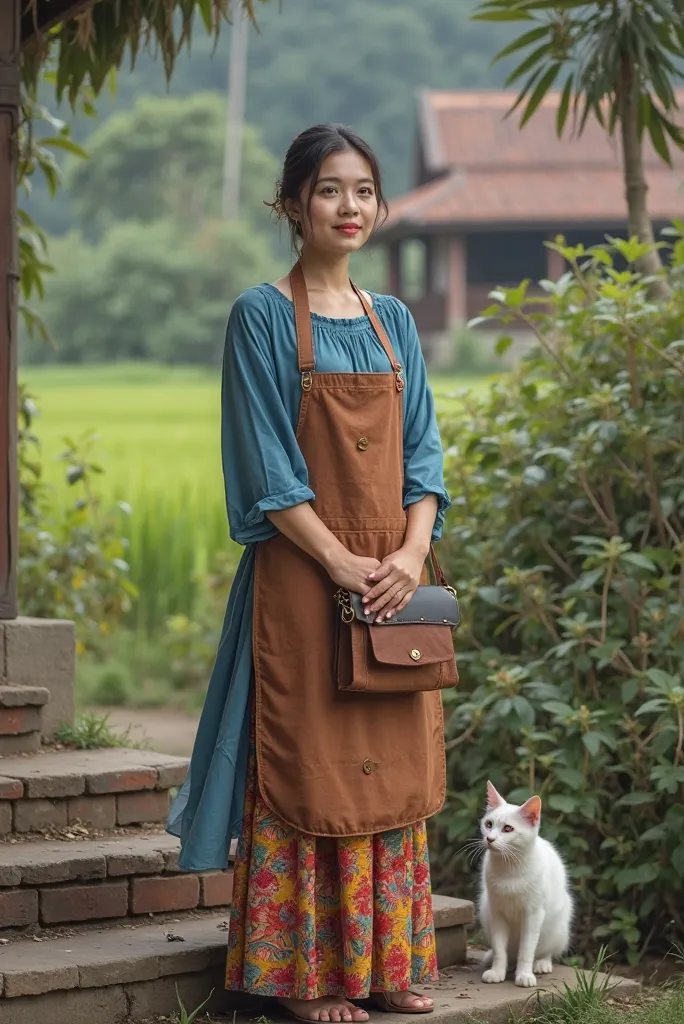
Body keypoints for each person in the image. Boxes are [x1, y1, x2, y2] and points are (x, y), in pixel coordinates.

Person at [167, 123, 451, 1023]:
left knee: (392, 766)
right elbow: (268, 471)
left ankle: (383, 964)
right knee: (308, 764)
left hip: (394, 586)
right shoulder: (260, 316)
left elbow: (425, 460)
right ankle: (305, 979)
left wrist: (406, 558)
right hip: (301, 579)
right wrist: (343, 564)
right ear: (292, 204)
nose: (350, 206)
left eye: (364, 190)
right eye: (330, 189)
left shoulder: (393, 320)